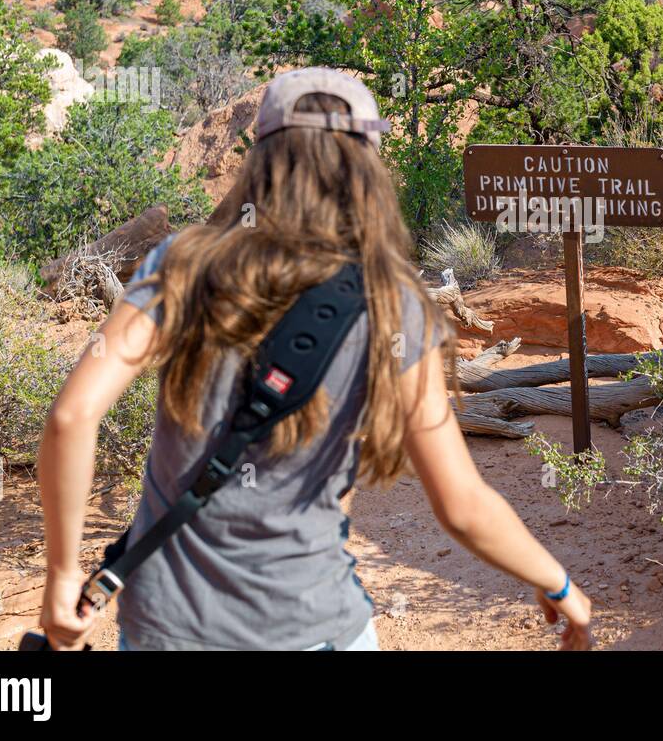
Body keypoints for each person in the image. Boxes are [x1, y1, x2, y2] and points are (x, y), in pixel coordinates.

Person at [36, 68, 592, 651]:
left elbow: (72, 417)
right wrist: (557, 585)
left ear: (262, 159)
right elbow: (461, 504)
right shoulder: (391, 302)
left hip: (169, 629)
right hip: (312, 626)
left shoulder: (185, 264)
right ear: (368, 168)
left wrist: (61, 575)